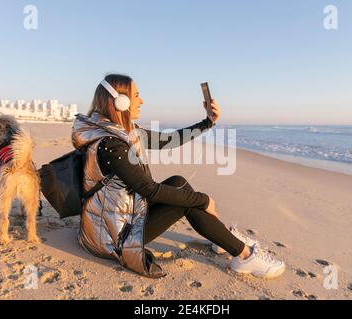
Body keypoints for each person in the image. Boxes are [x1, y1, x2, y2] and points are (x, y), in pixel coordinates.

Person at [71, 73, 285, 279]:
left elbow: (169, 140)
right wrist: (204, 200)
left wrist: (207, 122)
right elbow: (149, 190)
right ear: (120, 102)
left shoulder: (121, 132)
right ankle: (245, 256)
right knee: (188, 202)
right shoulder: (111, 145)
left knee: (178, 183)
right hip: (112, 238)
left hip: (119, 220)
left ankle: (222, 239)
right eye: (136, 96)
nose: (141, 101)